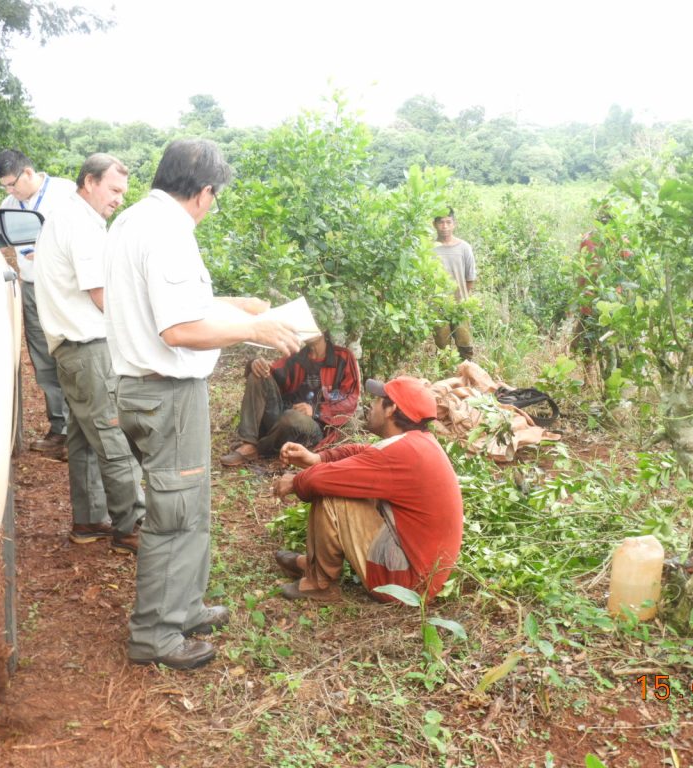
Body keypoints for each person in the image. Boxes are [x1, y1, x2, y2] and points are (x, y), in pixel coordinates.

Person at [104, 139, 301, 671]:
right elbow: (179, 327)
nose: (213, 206)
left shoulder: (134, 221)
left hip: (149, 387)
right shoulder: (169, 233)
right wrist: (253, 329)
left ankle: (184, 605)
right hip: (165, 391)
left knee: (189, 505)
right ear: (204, 191)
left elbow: (173, 304)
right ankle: (156, 635)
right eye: (216, 196)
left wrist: (239, 307)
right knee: (175, 512)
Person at [33, 153, 146, 554]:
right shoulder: (80, 225)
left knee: (83, 438)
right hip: (88, 347)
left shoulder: (68, 217)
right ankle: (131, 525)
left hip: (71, 348)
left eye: (122, 192)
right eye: (114, 190)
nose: (119, 199)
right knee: (114, 437)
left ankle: (89, 520)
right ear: (89, 182)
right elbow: (102, 296)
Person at [272, 376, 463, 603]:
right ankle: (312, 564)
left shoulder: (402, 453)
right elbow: (361, 453)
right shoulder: (416, 443)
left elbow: (320, 481)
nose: (371, 406)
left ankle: (319, 584)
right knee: (336, 482)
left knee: (331, 493)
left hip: (407, 585)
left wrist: (295, 482)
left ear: (391, 409)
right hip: (420, 571)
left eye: (377, 400)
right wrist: (316, 458)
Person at [0, 149, 76, 457]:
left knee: (70, 354)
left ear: (28, 173)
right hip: (31, 287)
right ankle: (60, 429)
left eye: (13, 184)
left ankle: (80, 430)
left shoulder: (66, 193)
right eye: (5, 186)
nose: (10, 191)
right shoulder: (9, 205)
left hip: (63, 287)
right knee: (43, 359)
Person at [219, 333, 361, 466]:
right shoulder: (298, 356)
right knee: (257, 376)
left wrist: (315, 411)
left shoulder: (343, 357)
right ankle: (248, 444)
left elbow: (350, 399)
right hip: (283, 416)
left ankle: (260, 448)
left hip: (316, 426)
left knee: (292, 417)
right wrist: (255, 365)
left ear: (323, 328)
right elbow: (272, 373)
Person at [432, 207, 477, 360]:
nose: (444, 226)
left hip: (460, 306)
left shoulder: (464, 247)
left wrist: (461, 299)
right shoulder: (430, 249)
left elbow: (470, 278)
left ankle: (467, 378)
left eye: (448, 222)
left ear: (454, 224)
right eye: (441, 222)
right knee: (442, 348)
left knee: (465, 346)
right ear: (434, 224)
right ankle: (445, 380)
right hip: (438, 306)